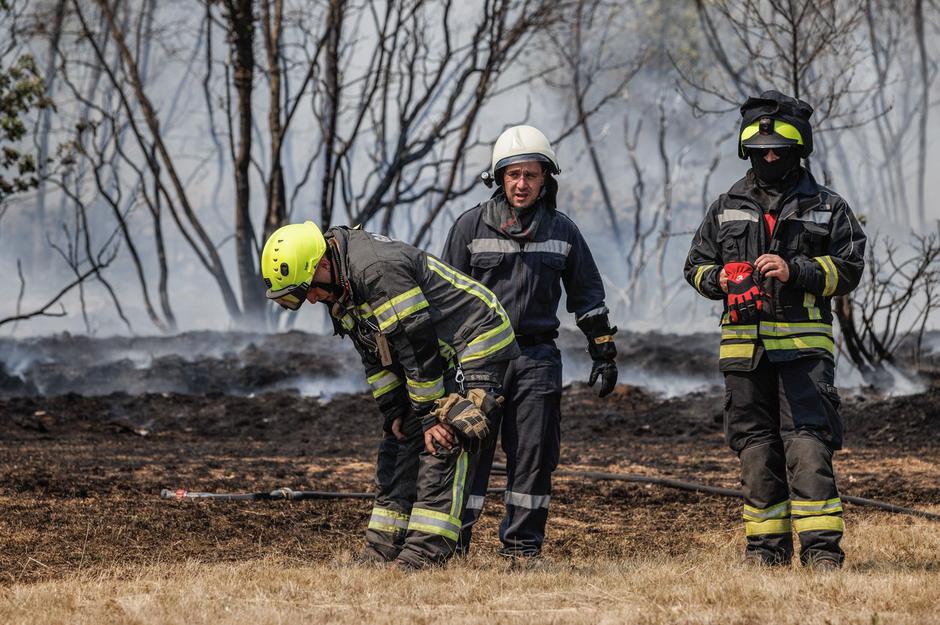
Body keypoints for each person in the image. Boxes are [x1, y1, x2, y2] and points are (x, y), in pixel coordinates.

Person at [260, 221, 520, 568]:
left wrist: (431, 414)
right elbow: (376, 354)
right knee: (398, 443)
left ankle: (425, 554)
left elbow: (415, 343)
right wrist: (395, 410)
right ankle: (382, 550)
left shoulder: (376, 271)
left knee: (445, 437)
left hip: (473, 341)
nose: (310, 299)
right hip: (432, 355)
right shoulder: (340, 282)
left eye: (307, 289)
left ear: (322, 264)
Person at [684, 91, 866, 569]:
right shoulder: (727, 205)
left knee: (807, 446)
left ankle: (823, 553)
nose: (769, 156)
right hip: (745, 354)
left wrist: (795, 270)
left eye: (778, 150)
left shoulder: (827, 206)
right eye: (760, 149)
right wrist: (719, 279)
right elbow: (696, 267)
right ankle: (765, 551)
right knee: (756, 451)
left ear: (797, 150)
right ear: (747, 149)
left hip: (805, 354)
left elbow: (850, 268)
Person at [442, 124, 618, 560]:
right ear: (499, 177)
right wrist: (445, 367)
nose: (522, 184)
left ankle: (522, 549)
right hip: (480, 360)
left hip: (537, 357)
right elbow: (444, 299)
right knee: (470, 451)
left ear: (545, 180)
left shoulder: (563, 232)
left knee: (535, 456)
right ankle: (451, 544)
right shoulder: (469, 227)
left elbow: (588, 298)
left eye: (531, 175)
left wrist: (604, 351)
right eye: (513, 174)